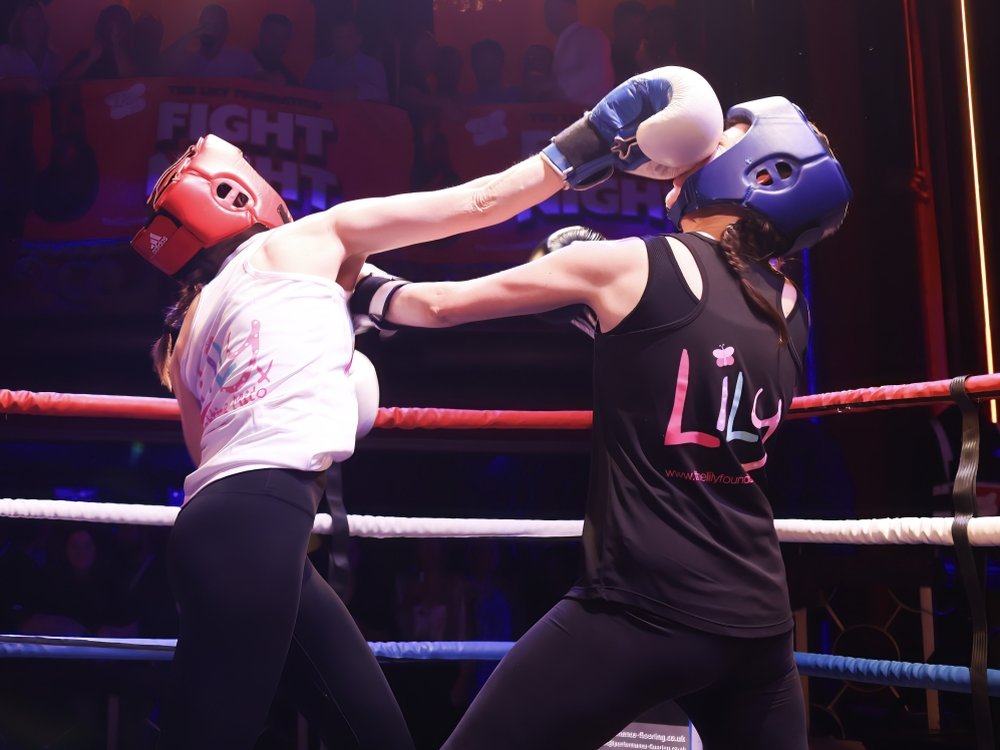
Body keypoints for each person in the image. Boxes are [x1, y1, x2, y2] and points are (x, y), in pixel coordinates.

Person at [128, 65, 723, 749]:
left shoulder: (192, 325)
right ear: (236, 194)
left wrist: (371, 299)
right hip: (260, 523)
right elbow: (478, 205)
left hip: (228, 527)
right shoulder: (309, 239)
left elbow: (208, 452)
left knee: (374, 734)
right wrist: (585, 144)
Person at [350, 95, 853, 750]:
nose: (696, 148)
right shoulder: (792, 306)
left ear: (762, 171)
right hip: (756, 621)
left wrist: (341, 269)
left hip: (641, 608)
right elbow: (678, 357)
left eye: (718, 141)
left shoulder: (628, 264)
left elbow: (431, 307)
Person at [543, 0, 614, 106]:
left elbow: (595, 74)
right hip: (572, 115)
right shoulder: (568, 39)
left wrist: (551, 87)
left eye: (556, 9)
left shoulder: (590, 36)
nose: (551, 16)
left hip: (590, 115)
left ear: (573, 9)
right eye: (548, 11)